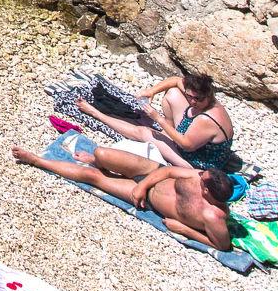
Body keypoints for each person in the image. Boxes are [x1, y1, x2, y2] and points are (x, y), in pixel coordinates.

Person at [12, 143, 234, 251]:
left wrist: (184, 229)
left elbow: (222, 246)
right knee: (101, 154)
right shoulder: (198, 176)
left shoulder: (213, 216)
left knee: (93, 177)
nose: (198, 174)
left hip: (146, 200)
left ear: (207, 191)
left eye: (202, 178)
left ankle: (36, 160)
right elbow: (168, 171)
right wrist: (144, 183)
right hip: (151, 173)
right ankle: (100, 162)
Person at [75, 70, 235, 170]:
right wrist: (151, 92)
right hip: (194, 141)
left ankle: (96, 113)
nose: (192, 102)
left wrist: (158, 118)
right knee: (172, 94)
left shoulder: (208, 119)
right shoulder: (199, 97)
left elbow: (187, 145)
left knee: (143, 132)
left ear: (208, 95)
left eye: (197, 99)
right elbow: (175, 81)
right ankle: (166, 135)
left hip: (197, 162)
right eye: (190, 97)